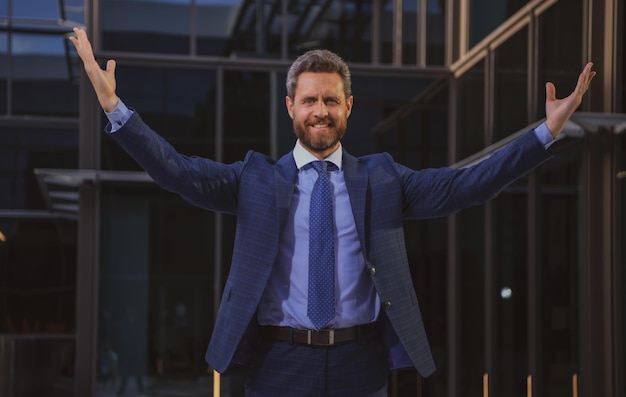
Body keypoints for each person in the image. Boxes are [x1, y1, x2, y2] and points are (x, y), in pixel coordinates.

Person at [70, 27, 595, 396]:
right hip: (278, 364)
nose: (320, 110)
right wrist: (117, 110)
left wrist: (545, 133)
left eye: (330, 100)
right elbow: (177, 171)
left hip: (358, 363)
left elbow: (468, 186)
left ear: (348, 107)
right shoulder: (256, 178)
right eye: (309, 100)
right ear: (291, 108)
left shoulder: (384, 178)